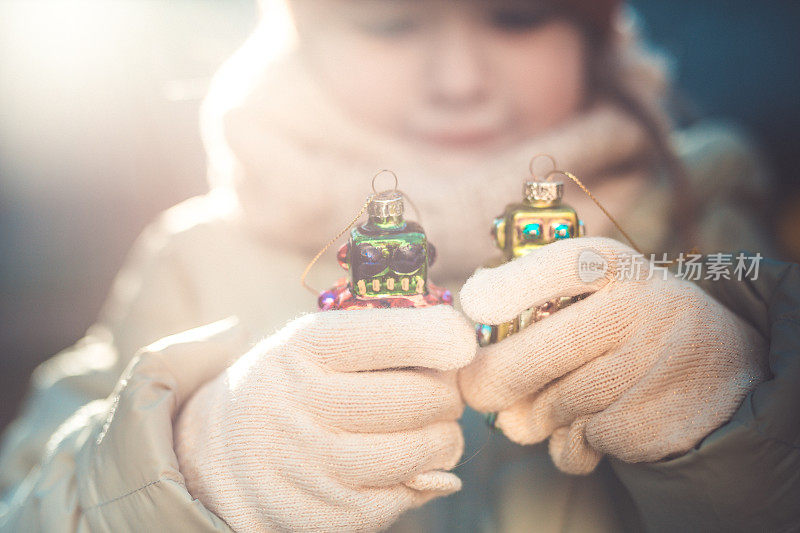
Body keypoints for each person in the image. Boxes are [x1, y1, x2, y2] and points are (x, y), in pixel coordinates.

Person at [1, 0, 797, 531]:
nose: (459, 83)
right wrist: (190, 469)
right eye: (389, 22)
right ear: (304, 31)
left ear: (591, 31)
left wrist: (730, 412)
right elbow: (26, 503)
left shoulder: (711, 225)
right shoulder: (196, 260)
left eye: (517, 16)